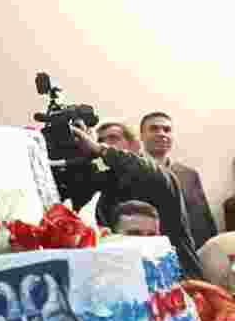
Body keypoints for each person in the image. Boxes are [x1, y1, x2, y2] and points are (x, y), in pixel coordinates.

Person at [71, 124, 203, 279]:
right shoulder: (106, 188)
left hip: (181, 280)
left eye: (113, 138)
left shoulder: (158, 174)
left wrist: (100, 149)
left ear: (134, 145)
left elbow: (138, 167)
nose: (105, 143)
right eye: (100, 140)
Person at [139, 111, 217, 251]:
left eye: (167, 130)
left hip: (192, 253)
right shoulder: (131, 171)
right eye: (154, 129)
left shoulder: (189, 174)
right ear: (142, 136)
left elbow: (204, 219)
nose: (161, 134)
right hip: (150, 252)